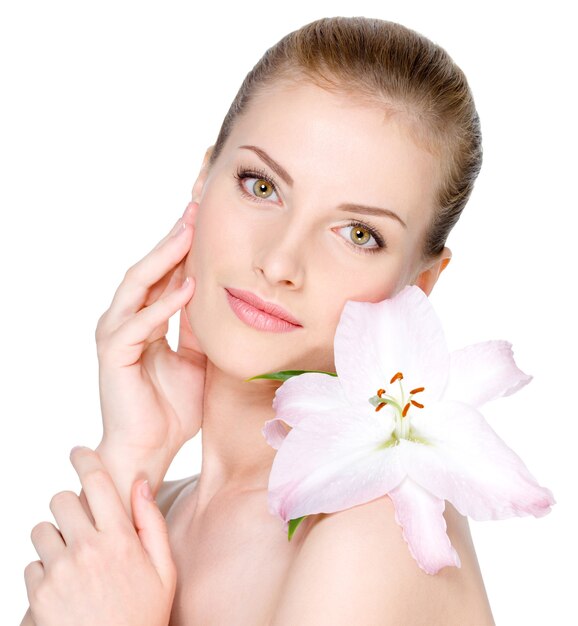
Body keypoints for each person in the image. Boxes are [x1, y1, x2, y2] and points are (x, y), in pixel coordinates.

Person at [21, 15, 496, 625]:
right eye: (261, 185)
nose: (279, 262)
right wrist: (134, 456)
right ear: (204, 178)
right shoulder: (163, 507)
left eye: (358, 233)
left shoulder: (380, 530)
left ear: (420, 285)